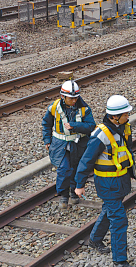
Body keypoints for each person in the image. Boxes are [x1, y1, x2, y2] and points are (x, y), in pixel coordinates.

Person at [75, 95, 136, 267]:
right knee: (119, 219)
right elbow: (86, 161)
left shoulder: (125, 127)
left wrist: (130, 171)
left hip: (121, 180)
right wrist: (80, 184)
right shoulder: (100, 135)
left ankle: (95, 239)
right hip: (107, 184)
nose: (128, 116)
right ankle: (120, 260)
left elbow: (126, 150)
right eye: (125, 114)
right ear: (114, 116)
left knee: (109, 210)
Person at [42, 81, 95, 209]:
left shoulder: (84, 109)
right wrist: (47, 140)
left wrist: (75, 126)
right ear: (63, 97)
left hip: (79, 144)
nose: (74, 100)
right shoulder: (54, 108)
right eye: (71, 98)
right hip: (60, 144)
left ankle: (74, 192)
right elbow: (46, 124)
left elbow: (91, 126)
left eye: (75, 98)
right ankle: (64, 195)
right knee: (63, 170)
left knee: (77, 169)